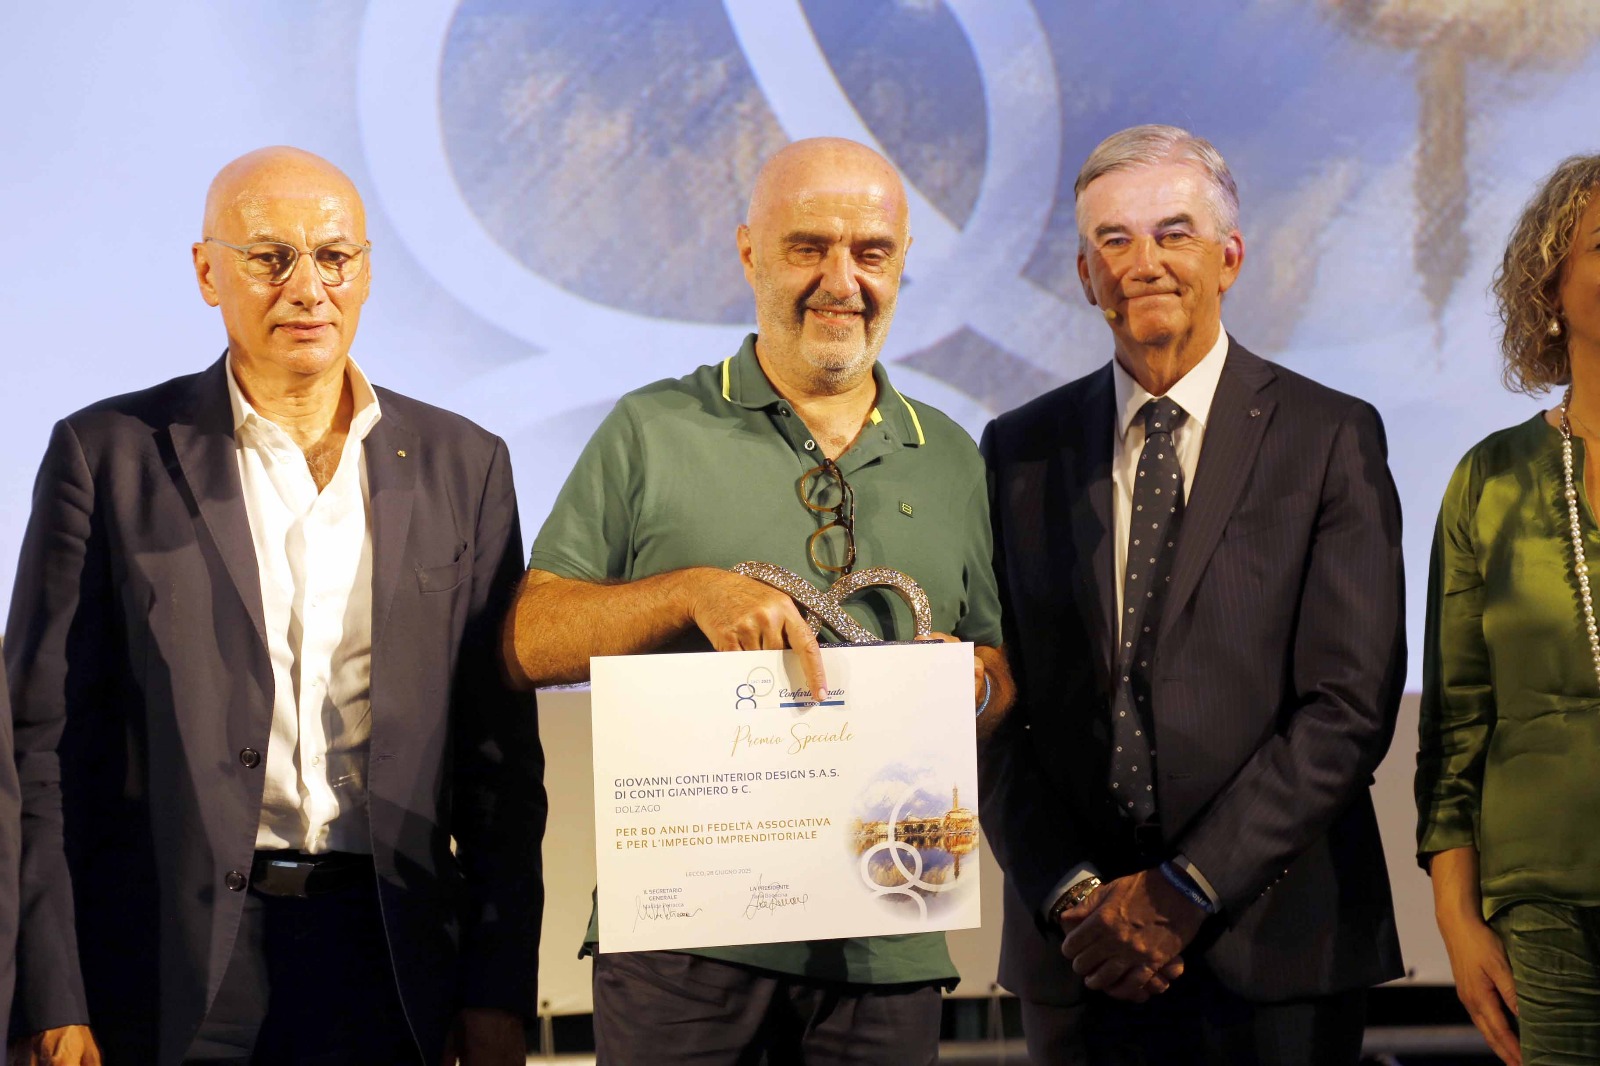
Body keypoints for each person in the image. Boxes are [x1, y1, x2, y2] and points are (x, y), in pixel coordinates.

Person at [4, 147, 545, 1065]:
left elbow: (501, 764)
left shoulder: (466, 463)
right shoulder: (108, 456)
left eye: (333, 257)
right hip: (167, 966)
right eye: (269, 257)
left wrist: (497, 990)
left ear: (366, 271)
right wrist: (50, 997)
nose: (307, 288)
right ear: (207, 272)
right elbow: (38, 752)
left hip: (393, 955)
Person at [502, 136, 1013, 1065]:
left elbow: (998, 672)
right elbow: (529, 641)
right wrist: (689, 593)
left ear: (902, 262)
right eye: (808, 246)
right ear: (749, 252)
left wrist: (968, 689)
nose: (841, 281)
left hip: (887, 935)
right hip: (681, 939)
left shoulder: (951, 455)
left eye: (871, 252)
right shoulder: (651, 429)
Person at [979, 124, 1406, 1065]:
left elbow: (1349, 706)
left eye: (1174, 233)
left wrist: (1186, 889)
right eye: (1114, 240)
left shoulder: (1330, 435)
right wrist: (1074, 896)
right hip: (1081, 954)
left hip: (1277, 948)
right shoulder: (1017, 451)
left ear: (1229, 258)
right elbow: (991, 706)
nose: (1144, 263)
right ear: (1085, 275)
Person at [1418, 152, 1600, 1066]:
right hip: (1545, 906)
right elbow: (1454, 728)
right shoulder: (1489, 478)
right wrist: (1457, 919)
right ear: (1550, 289)